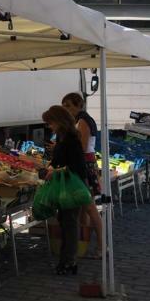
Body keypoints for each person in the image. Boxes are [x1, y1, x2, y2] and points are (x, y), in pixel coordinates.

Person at [42, 105, 87, 276]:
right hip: (64, 185)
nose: (49, 127)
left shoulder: (71, 139)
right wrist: (50, 166)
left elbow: (75, 166)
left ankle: (69, 262)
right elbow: (58, 160)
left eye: (50, 123)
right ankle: (66, 260)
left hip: (71, 186)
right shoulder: (62, 138)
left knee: (69, 223)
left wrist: (55, 170)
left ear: (59, 121)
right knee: (65, 222)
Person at [62, 91, 103, 259]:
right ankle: (84, 243)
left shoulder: (83, 121)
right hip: (85, 163)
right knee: (85, 208)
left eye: (69, 106)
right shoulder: (79, 120)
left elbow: (83, 147)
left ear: (79, 105)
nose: (66, 109)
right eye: (64, 106)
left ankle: (102, 246)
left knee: (90, 208)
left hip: (84, 165)